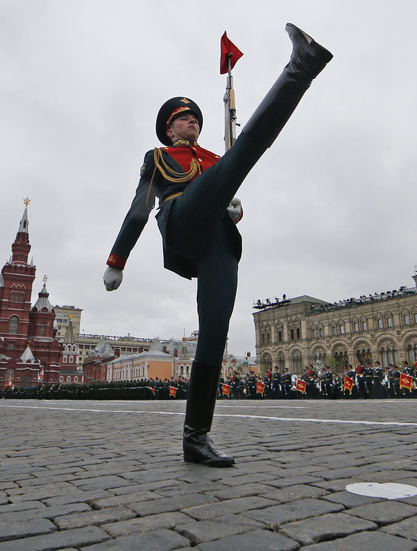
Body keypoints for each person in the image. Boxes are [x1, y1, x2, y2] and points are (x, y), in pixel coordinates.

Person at [102, 23, 331, 466]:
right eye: (184, 119)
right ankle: (302, 66)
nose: (193, 122)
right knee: (244, 151)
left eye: (197, 119)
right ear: (169, 129)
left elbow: (227, 196)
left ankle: (196, 437)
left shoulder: (212, 160)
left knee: (215, 333)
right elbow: (138, 207)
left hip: (219, 240)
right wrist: (118, 259)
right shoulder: (160, 158)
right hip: (181, 220)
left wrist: (229, 206)